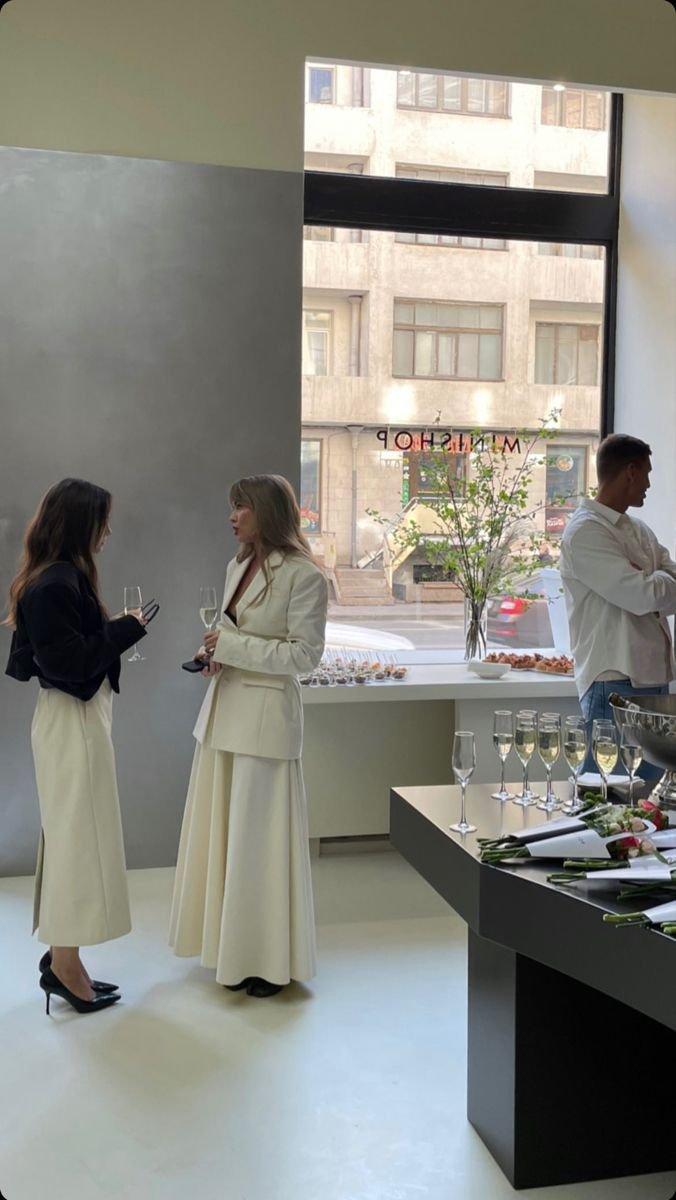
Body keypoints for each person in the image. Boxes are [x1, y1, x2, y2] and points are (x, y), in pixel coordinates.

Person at [169, 474, 328, 998]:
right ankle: (229, 951)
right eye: (232, 506)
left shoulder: (304, 575)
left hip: (265, 724)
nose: (232, 516)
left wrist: (232, 648)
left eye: (241, 507)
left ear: (267, 512)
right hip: (224, 715)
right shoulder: (236, 565)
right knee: (226, 839)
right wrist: (213, 655)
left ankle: (265, 961)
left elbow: (304, 656)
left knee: (258, 846)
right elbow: (233, 634)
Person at [4, 478, 149, 1014]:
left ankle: (65, 959)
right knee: (76, 843)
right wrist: (126, 630)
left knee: (74, 839)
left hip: (73, 721)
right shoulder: (55, 583)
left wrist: (116, 630)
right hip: (72, 724)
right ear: (81, 524)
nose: (107, 532)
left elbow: (55, 655)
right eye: (102, 521)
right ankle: (64, 965)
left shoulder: (56, 577)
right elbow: (68, 664)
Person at [559, 434, 676, 778]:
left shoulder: (639, 529)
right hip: (614, 680)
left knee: (650, 799)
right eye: (647, 473)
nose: (649, 484)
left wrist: (652, 580)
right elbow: (642, 596)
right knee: (608, 793)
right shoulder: (585, 532)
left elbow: (662, 584)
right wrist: (652, 582)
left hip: (654, 679)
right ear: (630, 471)